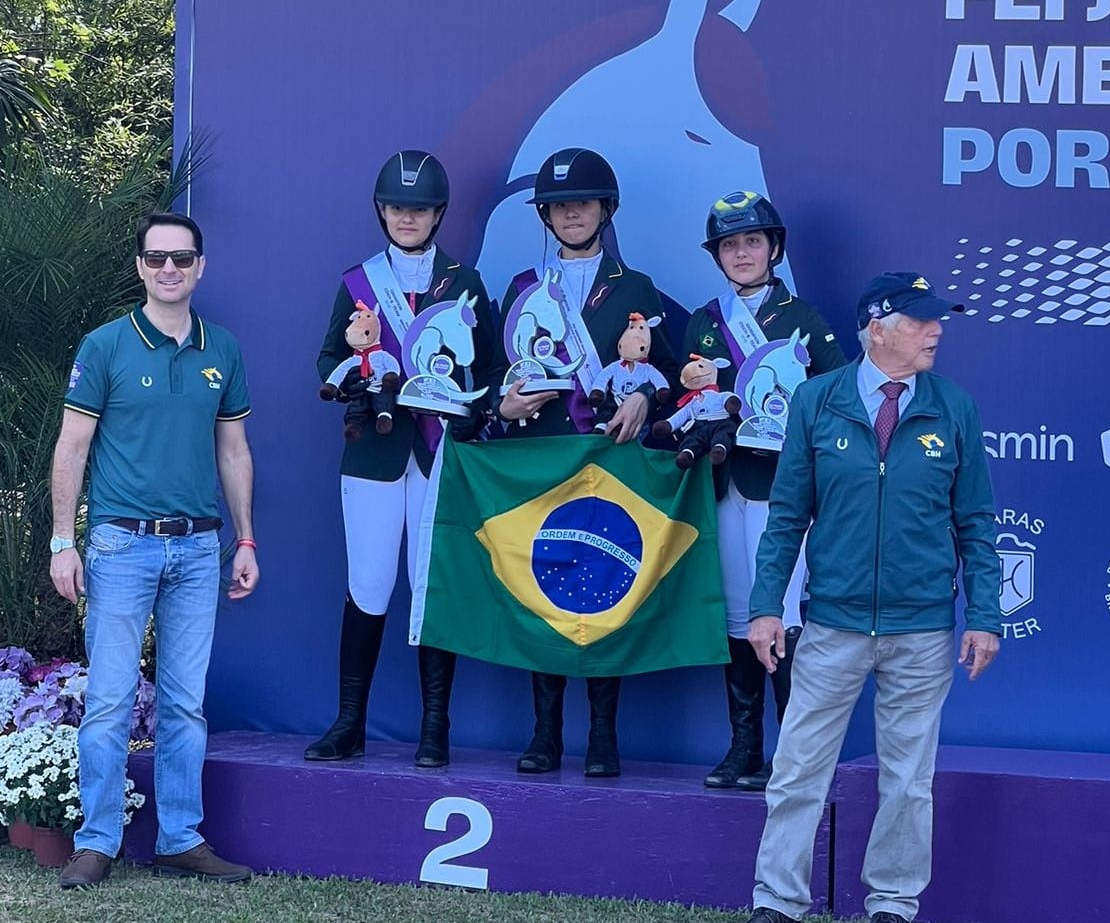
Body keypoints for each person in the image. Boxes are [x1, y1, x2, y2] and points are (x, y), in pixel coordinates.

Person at [730, 273, 1001, 923]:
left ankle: (892, 910)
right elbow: (787, 515)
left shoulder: (954, 406)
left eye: (938, 320)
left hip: (923, 630)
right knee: (796, 768)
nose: (937, 330)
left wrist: (986, 613)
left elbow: (976, 521)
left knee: (908, 779)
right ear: (877, 327)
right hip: (831, 625)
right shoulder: (817, 401)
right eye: (921, 321)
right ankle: (778, 906)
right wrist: (765, 607)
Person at [49, 211, 259, 889]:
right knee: (109, 699)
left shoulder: (221, 348)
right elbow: (72, 446)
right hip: (118, 545)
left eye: (182, 257)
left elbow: (234, 449)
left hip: (200, 548)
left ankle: (180, 837)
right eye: (157, 257)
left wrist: (246, 536)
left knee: (185, 704)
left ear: (202, 266)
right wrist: (62, 541)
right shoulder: (106, 345)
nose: (170, 268)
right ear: (140, 266)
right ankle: (97, 840)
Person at [489, 146, 677, 778]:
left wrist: (647, 399)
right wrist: (503, 403)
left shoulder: (638, 289)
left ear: (605, 209)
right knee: (544, 588)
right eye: (559, 205)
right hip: (540, 460)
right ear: (544, 216)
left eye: (582, 202)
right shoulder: (521, 288)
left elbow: (675, 377)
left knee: (604, 592)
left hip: (607, 464)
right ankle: (545, 733)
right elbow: (492, 372)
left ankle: (602, 734)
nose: (571, 213)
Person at [306, 150, 494, 768]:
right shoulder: (357, 282)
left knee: (432, 585)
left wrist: (473, 407)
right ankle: (349, 721)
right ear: (381, 211)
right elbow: (328, 358)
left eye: (417, 209)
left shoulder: (465, 282)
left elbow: (490, 370)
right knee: (368, 583)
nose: (406, 218)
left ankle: (434, 726)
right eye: (396, 207)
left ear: (438, 213)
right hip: (374, 455)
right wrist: (354, 381)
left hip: (440, 452)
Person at [680, 191, 846, 791]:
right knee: (735, 612)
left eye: (752, 241)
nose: (742, 253)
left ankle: (795, 754)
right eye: (730, 244)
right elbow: (691, 400)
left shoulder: (805, 320)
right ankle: (744, 747)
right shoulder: (703, 322)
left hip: (784, 491)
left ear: (773, 247)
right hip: (726, 483)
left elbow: (836, 401)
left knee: (784, 614)